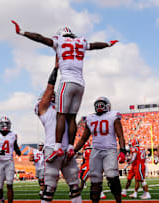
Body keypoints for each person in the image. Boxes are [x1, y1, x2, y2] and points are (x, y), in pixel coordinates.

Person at [11, 20, 119, 162]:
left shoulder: (60, 41)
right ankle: (69, 147)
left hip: (67, 82)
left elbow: (40, 38)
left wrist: (22, 32)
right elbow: (95, 46)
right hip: (80, 84)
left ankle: (57, 148)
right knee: (72, 117)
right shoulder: (80, 42)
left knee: (60, 115)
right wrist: (108, 44)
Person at [35, 59, 82, 203]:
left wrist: (71, 146)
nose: (52, 96)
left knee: (75, 185)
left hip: (66, 150)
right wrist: (55, 70)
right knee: (49, 187)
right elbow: (49, 89)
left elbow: (72, 124)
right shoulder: (42, 108)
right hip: (52, 149)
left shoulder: (63, 108)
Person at [74, 96, 126, 203]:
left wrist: (123, 150)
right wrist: (74, 151)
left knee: (112, 177)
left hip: (109, 150)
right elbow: (84, 138)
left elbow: (120, 135)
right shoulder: (91, 118)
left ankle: (119, 201)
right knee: (95, 180)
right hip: (96, 151)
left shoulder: (112, 116)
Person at [0, 116, 21, 203]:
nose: (5, 125)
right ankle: (2, 199)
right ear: (0, 124)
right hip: (0, 162)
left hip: (9, 162)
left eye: (7, 123)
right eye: (3, 123)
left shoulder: (13, 135)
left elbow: (15, 146)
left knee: (9, 184)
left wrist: (18, 151)